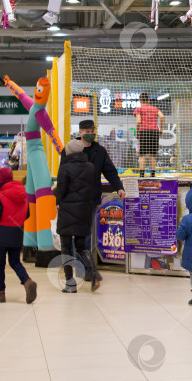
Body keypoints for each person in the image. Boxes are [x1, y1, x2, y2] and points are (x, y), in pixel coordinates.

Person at [72, 120, 126, 281]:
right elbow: (63, 175)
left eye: (92, 130)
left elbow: (109, 171)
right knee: (77, 235)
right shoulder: (71, 149)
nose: (90, 133)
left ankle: (86, 270)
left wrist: (119, 187)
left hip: (91, 198)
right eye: (87, 130)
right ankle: (80, 269)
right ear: (80, 132)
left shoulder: (99, 151)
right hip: (74, 199)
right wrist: (59, 200)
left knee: (86, 235)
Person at [0, 167, 37, 303]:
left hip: (1, 234)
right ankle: (27, 281)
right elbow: (27, 214)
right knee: (14, 261)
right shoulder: (22, 194)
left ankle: (0, 293)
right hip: (17, 233)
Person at [56, 140, 100, 293]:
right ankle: (93, 272)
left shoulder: (64, 168)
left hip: (67, 211)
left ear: (68, 152)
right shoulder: (90, 167)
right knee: (81, 245)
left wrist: (53, 190)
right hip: (84, 211)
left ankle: (70, 283)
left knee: (66, 246)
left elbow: (61, 191)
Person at [134, 93, 165, 177]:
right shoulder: (155, 109)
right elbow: (162, 117)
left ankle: (141, 175)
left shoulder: (138, 109)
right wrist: (161, 130)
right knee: (152, 154)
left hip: (144, 132)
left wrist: (137, 132)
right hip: (154, 132)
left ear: (139, 100)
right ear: (149, 100)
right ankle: (152, 174)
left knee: (143, 155)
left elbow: (138, 121)